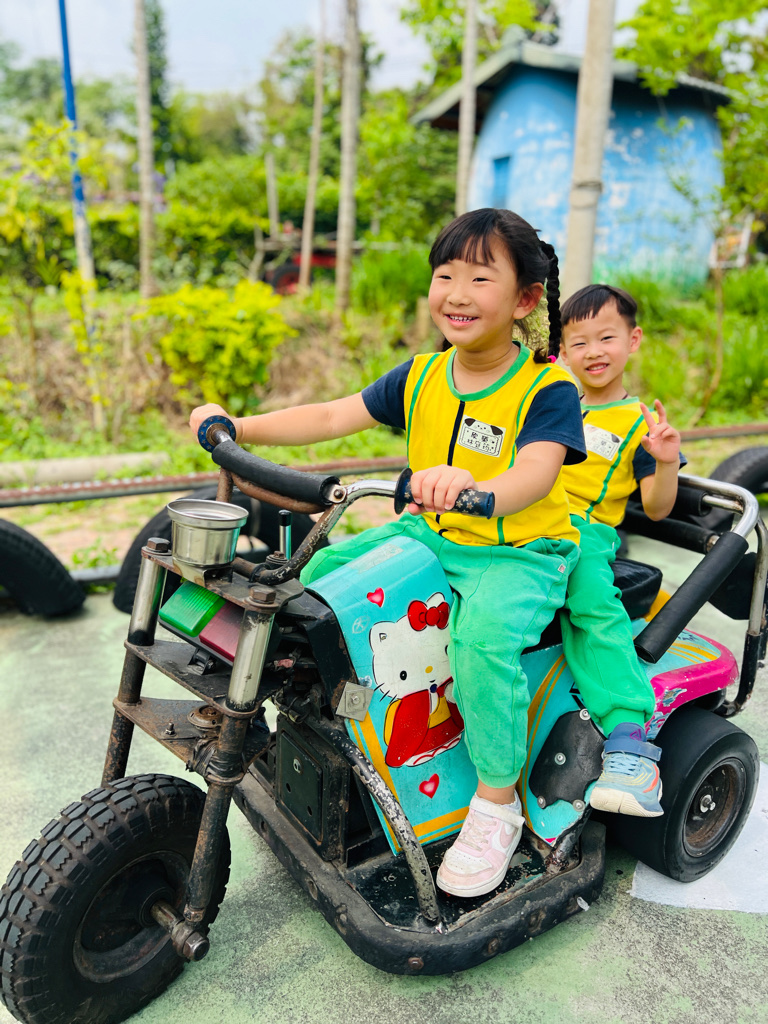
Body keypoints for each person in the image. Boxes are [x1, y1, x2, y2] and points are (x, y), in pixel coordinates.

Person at [189, 208, 587, 898]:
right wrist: (237, 425)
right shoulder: (424, 374)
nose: (457, 293)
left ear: (526, 299)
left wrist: (478, 488)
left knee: (482, 644)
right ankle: (306, 710)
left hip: (518, 551)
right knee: (316, 574)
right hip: (433, 532)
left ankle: (497, 802)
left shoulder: (547, 388)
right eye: (445, 275)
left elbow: (537, 473)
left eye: (480, 278)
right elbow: (331, 415)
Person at [558, 283, 683, 818]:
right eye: (579, 342)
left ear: (633, 340)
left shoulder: (639, 422)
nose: (594, 352)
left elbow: (657, 507)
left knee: (590, 605)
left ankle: (629, 742)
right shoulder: (554, 401)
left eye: (606, 338)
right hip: (523, 516)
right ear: (563, 352)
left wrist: (666, 458)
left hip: (583, 532)